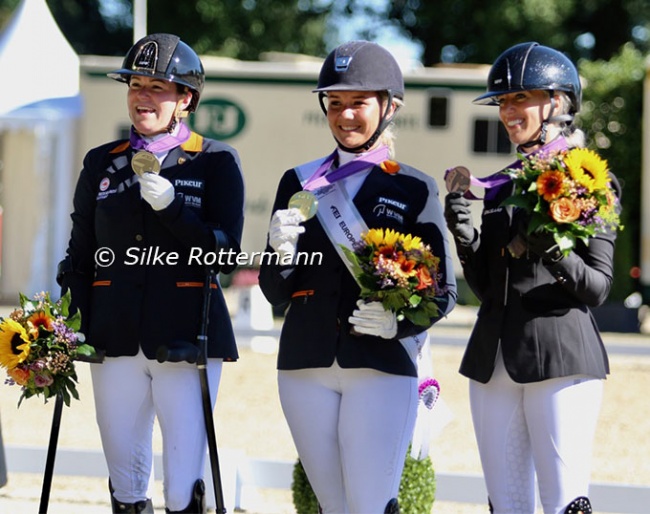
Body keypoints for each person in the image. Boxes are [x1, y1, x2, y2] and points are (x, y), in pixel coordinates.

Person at [258, 40, 457, 514]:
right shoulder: (299, 182)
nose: (345, 115)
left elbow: (443, 291)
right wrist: (279, 254)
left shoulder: (412, 187)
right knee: (333, 507)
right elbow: (274, 291)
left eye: (358, 103)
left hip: (380, 365)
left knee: (369, 506)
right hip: (304, 364)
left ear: (389, 107)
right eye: (335, 103)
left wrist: (399, 326)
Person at [57, 33, 245, 513]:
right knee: (124, 481)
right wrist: (63, 328)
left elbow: (224, 255)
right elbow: (81, 254)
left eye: (158, 86)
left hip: (185, 335)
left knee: (183, 488)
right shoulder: (103, 160)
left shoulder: (216, 161)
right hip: (113, 335)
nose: (143, 95)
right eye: (136, 85)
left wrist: (173, 209)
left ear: (186, 99)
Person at [444, 42, 621, 514]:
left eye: (520, 98)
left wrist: (553, 248)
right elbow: (488, 287)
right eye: (503, 101)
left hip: (560, 354)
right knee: (506, 504)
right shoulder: (502, 184)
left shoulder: (590, 181)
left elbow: (599, 287)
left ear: (557, 104)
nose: (508, 111)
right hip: (492, 358)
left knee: (564, 501)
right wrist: (466, 239)